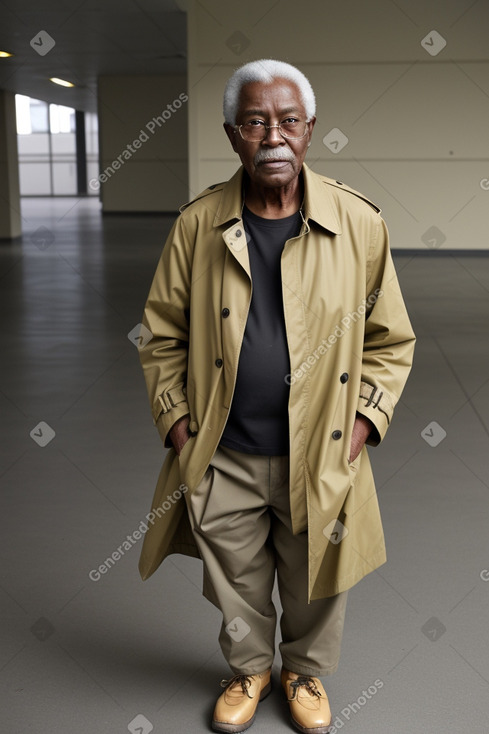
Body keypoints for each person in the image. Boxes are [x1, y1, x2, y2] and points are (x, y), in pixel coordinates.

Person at [137, 59, 415, 734]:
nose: (273, 136)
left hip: (320, 448)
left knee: (318, 572)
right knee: (234, 575)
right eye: (255, 121)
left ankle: (303, 671)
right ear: (232, 133)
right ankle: (249, 668)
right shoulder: (196, 226)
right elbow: (160, 334)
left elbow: (389, 338)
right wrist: (179, 426)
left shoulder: (358, 224)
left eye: (287, 121)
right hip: (223, 448)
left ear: (310, 130)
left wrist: (359, 429)